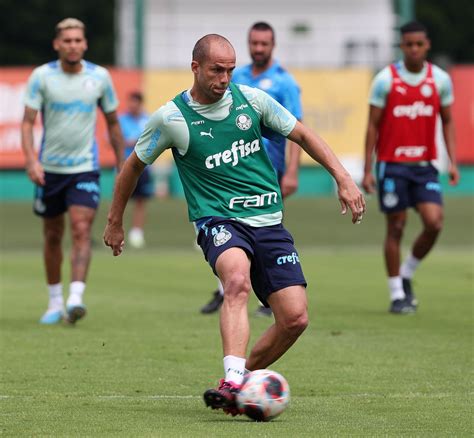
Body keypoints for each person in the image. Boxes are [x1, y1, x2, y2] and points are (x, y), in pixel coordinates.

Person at [104, 34, 365, 416]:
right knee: (237, 281)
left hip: (269, 222)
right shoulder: (172, 118)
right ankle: (231, 379)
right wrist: (115, 222)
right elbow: (131, 168)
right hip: (219, 220)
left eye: (229, 70)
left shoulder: (252, 101)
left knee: (295, 319)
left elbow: (304, 134)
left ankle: (239, 385)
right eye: (216, 70)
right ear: (195, 67)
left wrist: (343, 178)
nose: (224, 78)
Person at [21, 18, 124, 325]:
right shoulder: (42, 77)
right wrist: (30, 160)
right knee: (53, 235)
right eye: (67, 40)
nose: (73, 45)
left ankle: (75, 298)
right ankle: (54, 302)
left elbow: (113, 123)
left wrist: (123, 164)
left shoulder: (100, 77)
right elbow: (27, 122)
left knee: (81, 230)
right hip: (49, 170)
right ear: (57, 44)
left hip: (85, 169)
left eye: (78, 40)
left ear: (85, 43)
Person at [200, 21, 303, 317]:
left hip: (270, 170)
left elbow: (296, 129)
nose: (258, 49)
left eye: (264, 44)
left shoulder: (285, 82)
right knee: (228, 226)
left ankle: (266, 291)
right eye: (254, 43)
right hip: (231, 168)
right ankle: (230, 289)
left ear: (273, 46)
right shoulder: (235, 75)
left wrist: (293, 171)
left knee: (264, 227)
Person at [362, 21, 459, 314]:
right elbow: (372, 126)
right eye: (409, 44)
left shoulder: (440, 80)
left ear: (427, 45)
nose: (414, 49)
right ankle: (396, 294)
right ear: (401, 46)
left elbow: (448, 121)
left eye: (419, 44)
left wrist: (452, 161)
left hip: (423, 166)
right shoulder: (385, 80)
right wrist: (368, 169)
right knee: (396, 227)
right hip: (392, 166)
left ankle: (406, 272)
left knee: (434, 223)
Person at [119, 91, 152, 248]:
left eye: (135, 102)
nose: (132, 105)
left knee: (140, 201)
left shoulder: (148, 119)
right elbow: (112, 139)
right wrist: (129, 142)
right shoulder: (121, 120)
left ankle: (137, 232)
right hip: (124, 166)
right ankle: (117, 229)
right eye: (130, 102)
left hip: (143, 167)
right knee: (120, 199)